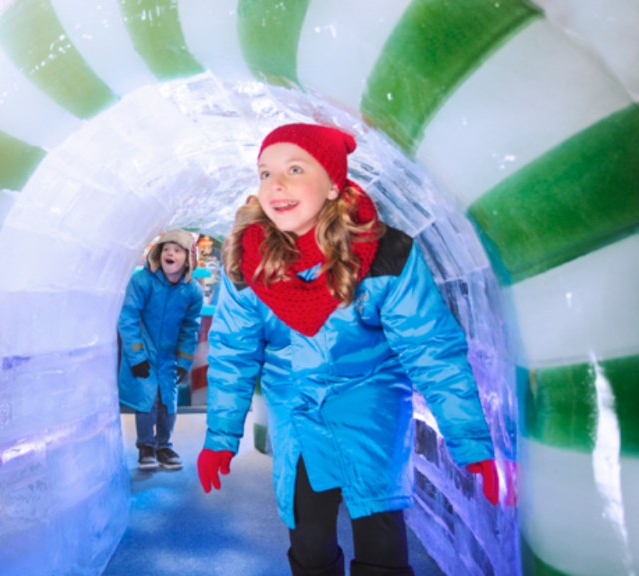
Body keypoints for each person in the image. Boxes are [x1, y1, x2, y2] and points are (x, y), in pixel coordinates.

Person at [196, 123, 500, 576]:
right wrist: (220, 437)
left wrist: (469, 438)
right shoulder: (248, 260)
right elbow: (233, 352)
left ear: (334, 184)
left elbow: (430, 348)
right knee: (310, 540)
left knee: (380, 535)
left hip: (370, 407)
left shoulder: (384, 252)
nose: (275, 185)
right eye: (265, 173)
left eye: (294, 169)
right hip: (297, 412)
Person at [118, 229, 204, 471]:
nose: (170, 253)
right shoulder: (142, 281)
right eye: (166, 249)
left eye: (177, 250)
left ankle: (164, 445)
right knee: (147, 399)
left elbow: (190, 328)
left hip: (169, 355)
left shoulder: (192, 291)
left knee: (168, 401)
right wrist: (136, 355)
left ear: (188, 258)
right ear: (158, 253)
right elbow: (128, 317)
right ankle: (146, 445)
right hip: (144, 349)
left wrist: (184, 362)